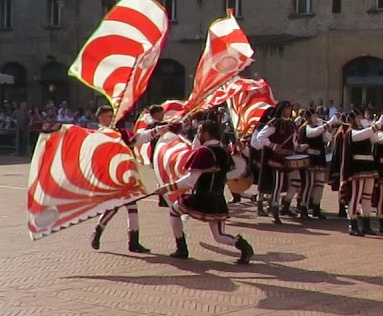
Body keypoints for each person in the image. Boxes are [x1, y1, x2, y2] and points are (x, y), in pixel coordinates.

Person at [164, 120, 255, 262]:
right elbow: (229, 173)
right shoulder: (224, 152)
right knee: (219, 236)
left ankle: (181, 248)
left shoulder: (204, 152)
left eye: (199, 131)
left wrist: (168, 187)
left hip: (201, 197)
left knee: (174, 212)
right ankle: (243, 246)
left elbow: (190, 180)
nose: (198, 134)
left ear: (205, 133)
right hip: (217, 198)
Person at [91, 105, 171, 253]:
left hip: (127, 174)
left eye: (112, 116)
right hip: (113, 176)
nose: (111, 119)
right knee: (115, 206)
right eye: (108, 116)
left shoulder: (120, 132)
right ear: (100, 117)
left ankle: (132, 241)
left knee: (130, 206)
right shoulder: (99, 135)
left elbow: (136, 139)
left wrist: (157, 130)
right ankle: (99, 231)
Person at [250, 101, 299, 224]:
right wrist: (272, 145)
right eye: (288, 108)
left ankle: (285, 205)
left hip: (289, 157)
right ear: (282, 110)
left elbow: (293, 142)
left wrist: (299, 147)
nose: (289, 111)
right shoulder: (274, 123)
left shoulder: (292, 125)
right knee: (277, 185)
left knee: (296, 181)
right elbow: (260, 137)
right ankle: (275, 210)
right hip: (277, 158)